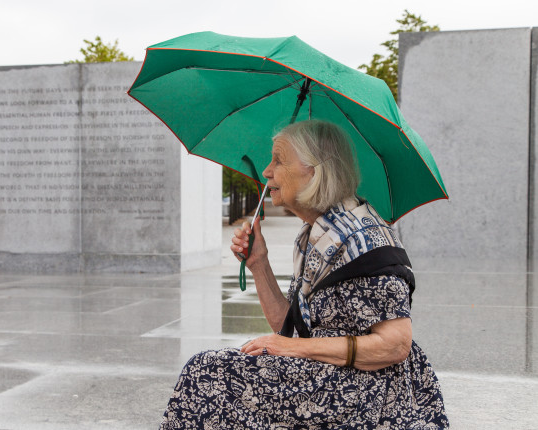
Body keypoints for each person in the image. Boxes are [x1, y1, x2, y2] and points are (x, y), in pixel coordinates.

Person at [160, 120, 449, 429]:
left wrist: (291, 348)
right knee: (212, 372)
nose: (267, 171)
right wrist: (259, 263)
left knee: (207, 373)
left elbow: (396, 345)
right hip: (327, 375)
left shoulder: (363, 239)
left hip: (366, 392)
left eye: (278, 160)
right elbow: (289, 327)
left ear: (314, 170)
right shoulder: (315, 234)